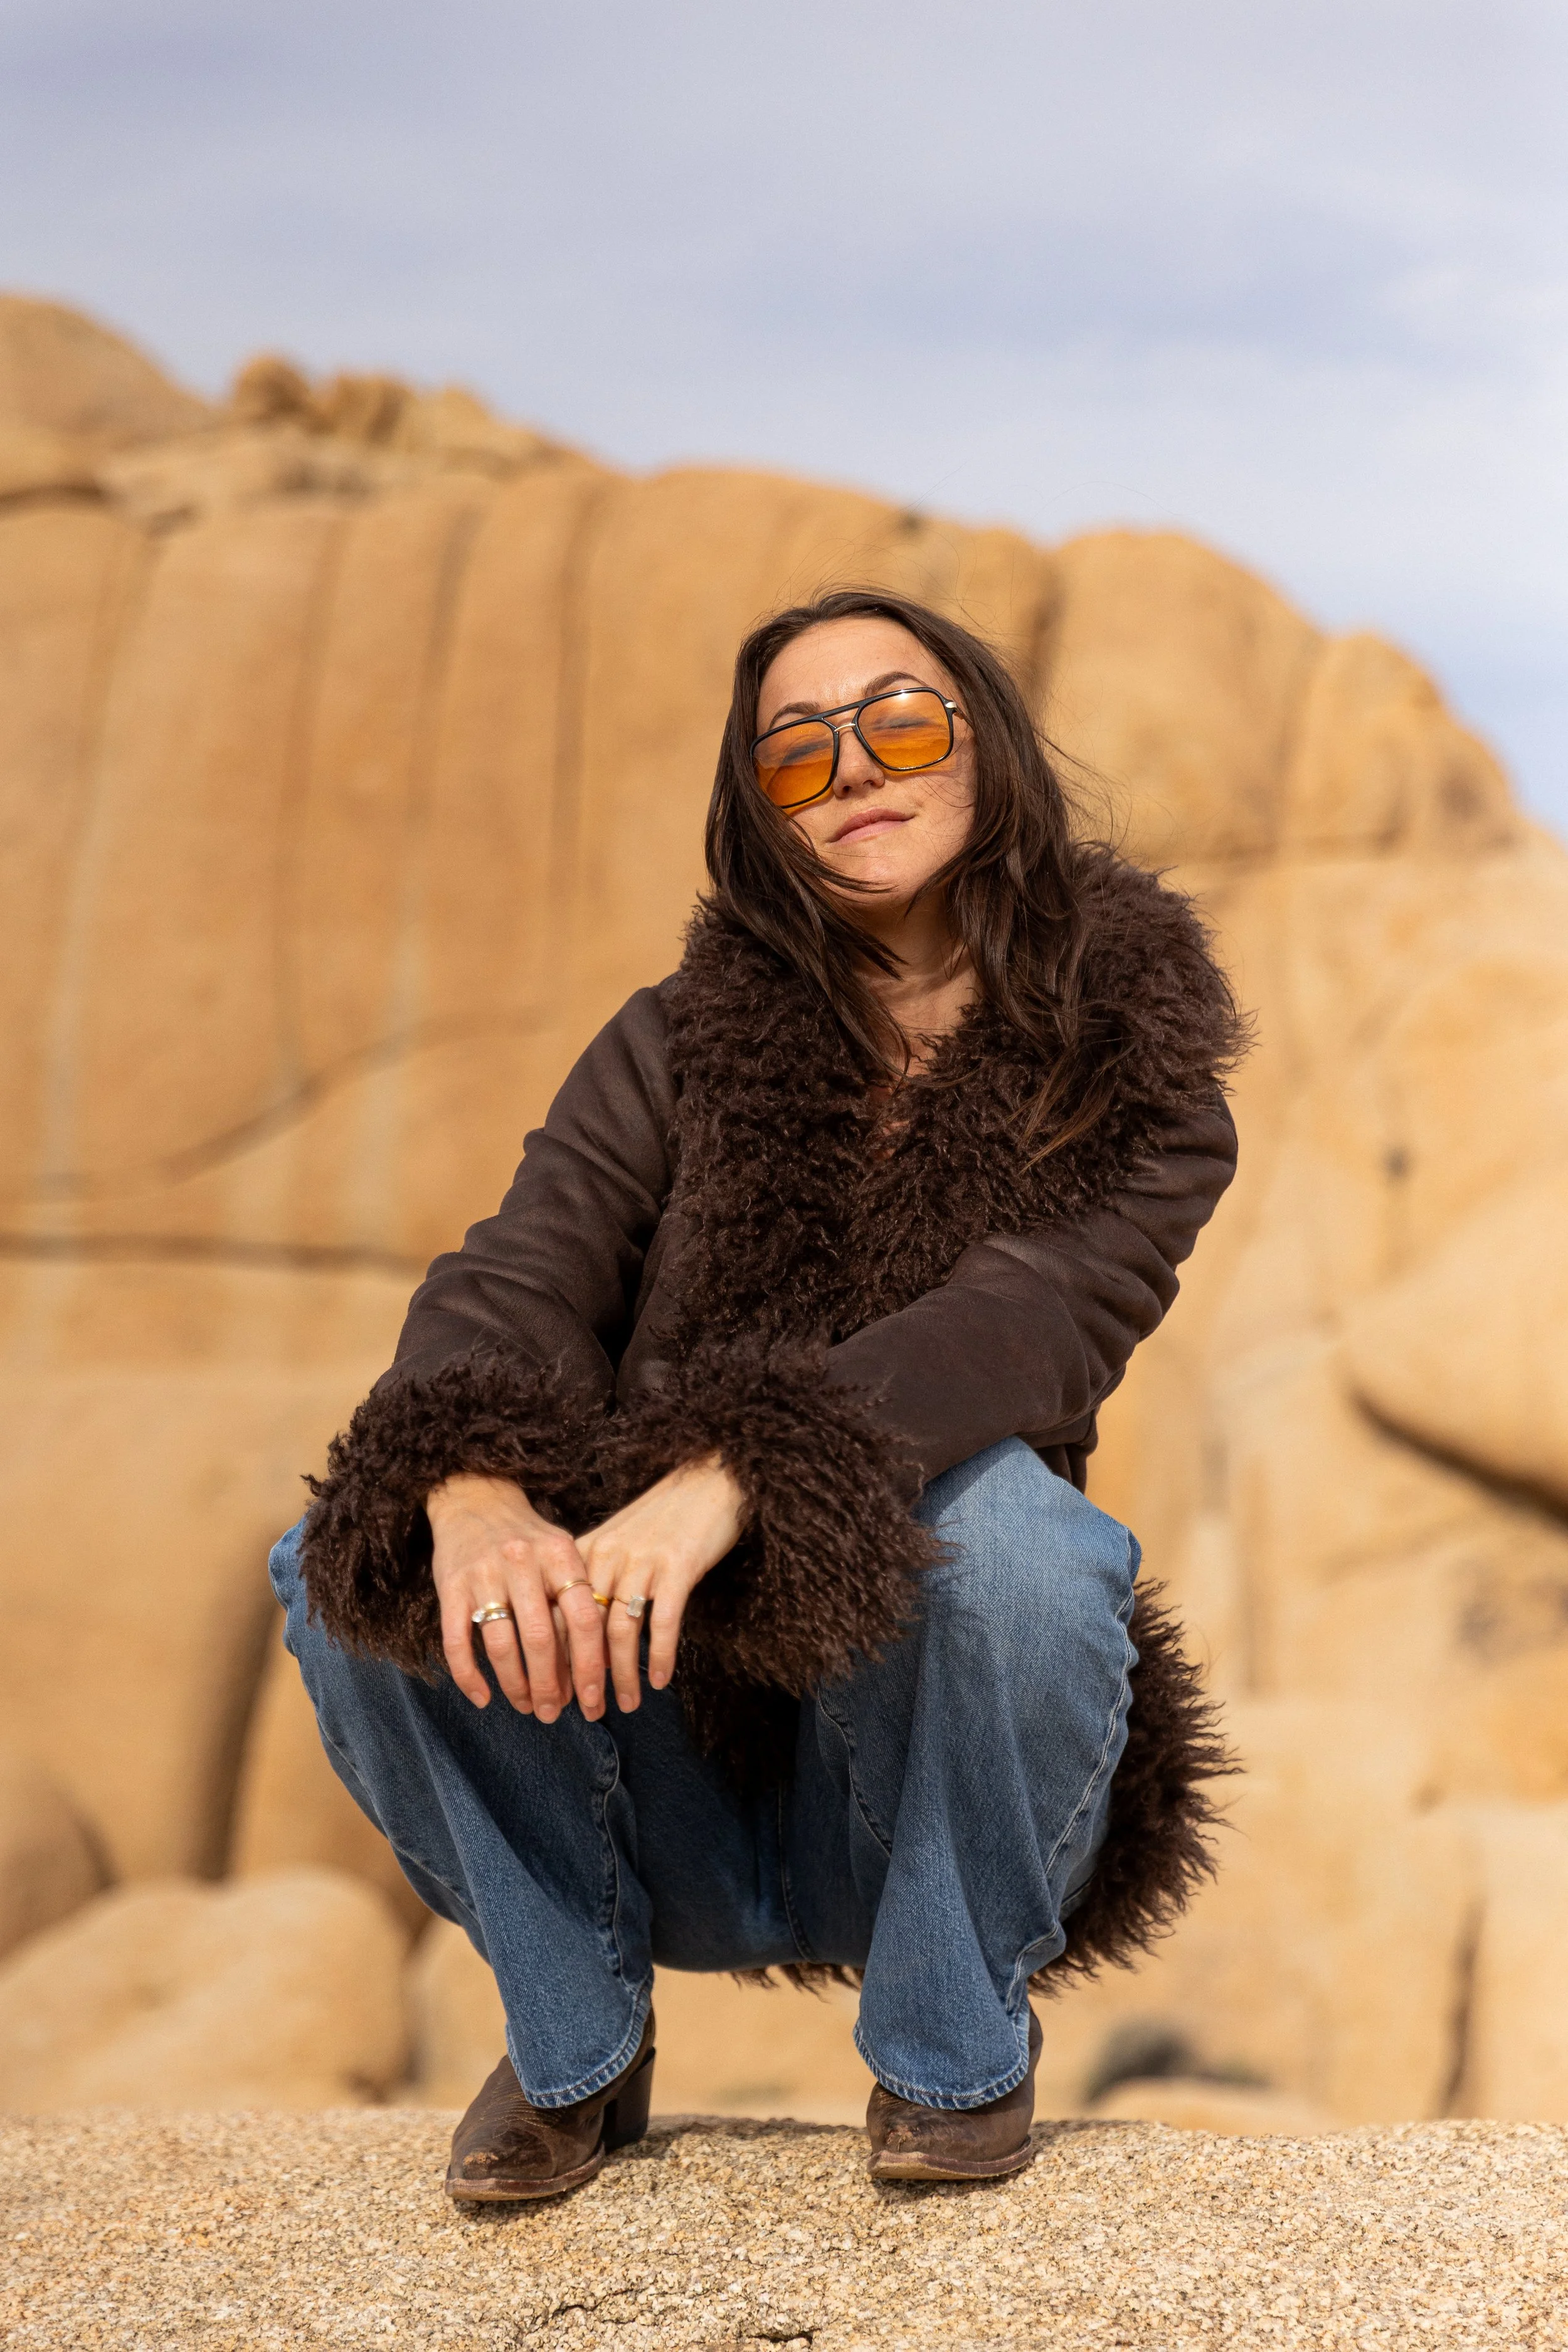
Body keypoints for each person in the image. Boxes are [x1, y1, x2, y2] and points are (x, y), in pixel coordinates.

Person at [271, 586, 1241, 2196]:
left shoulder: (1130, 1070)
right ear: (760, 809)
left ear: (985, 750)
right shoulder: (671, 1047)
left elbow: (1021, 1324)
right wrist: (468, 1489)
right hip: (650, 1741)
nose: (854, 769)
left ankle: (949, 2063)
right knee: (345, 1562)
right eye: (797, 753)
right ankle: (578, 2048)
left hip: (924, 1790)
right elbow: (521, 1270)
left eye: (901, 722)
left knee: (1009, 1535)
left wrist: (732, 1472)